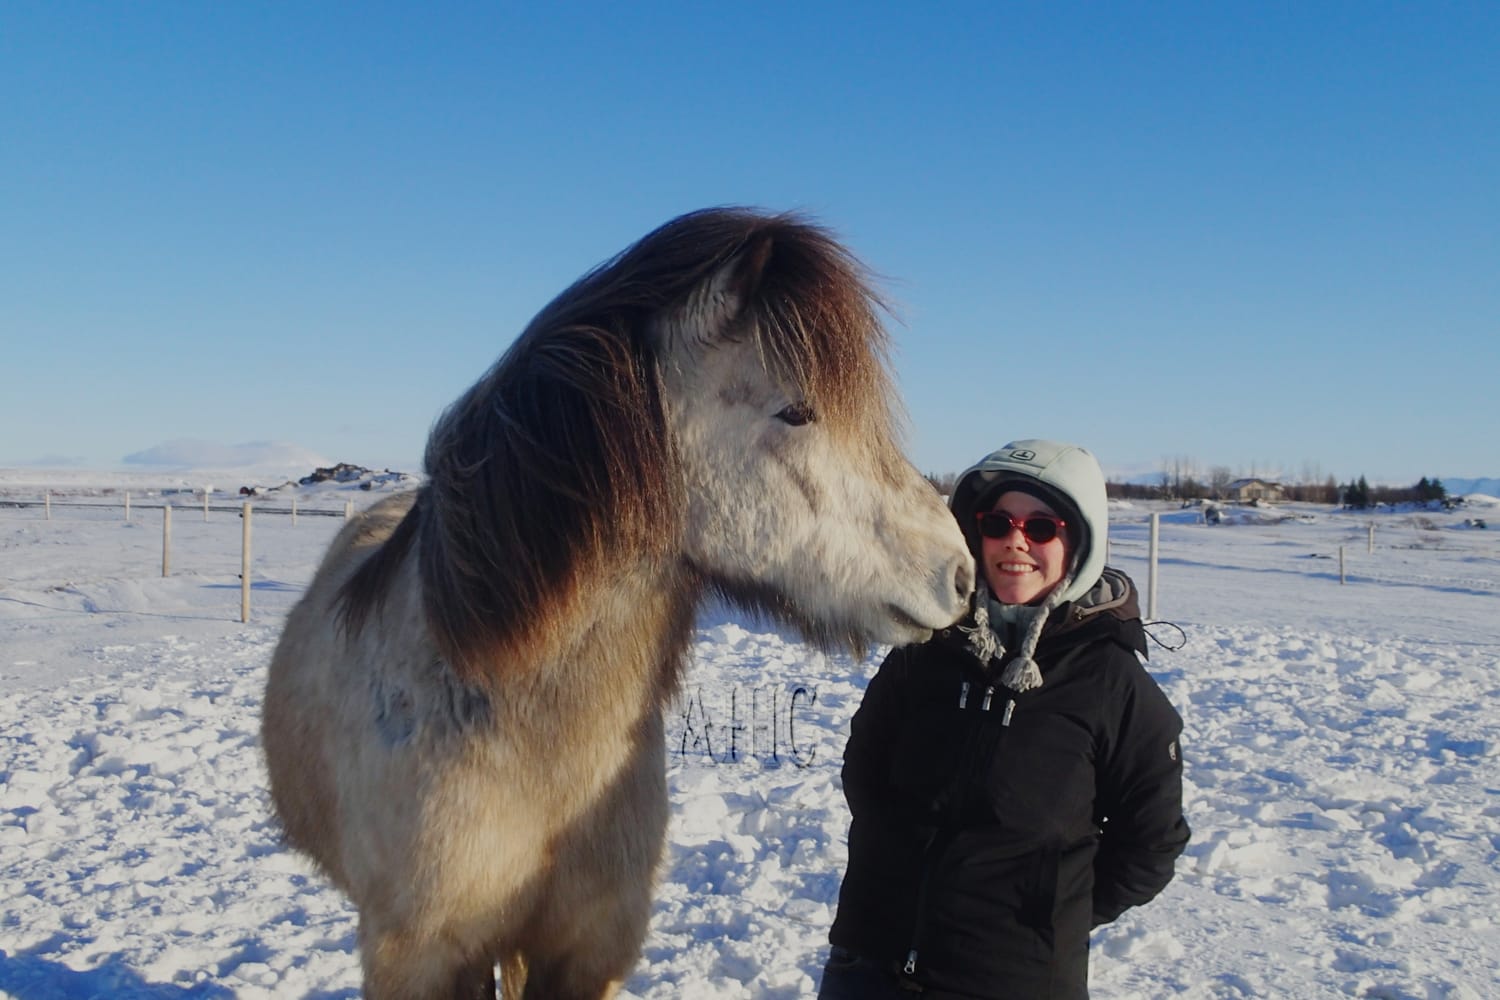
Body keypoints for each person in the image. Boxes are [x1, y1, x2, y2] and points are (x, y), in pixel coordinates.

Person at [819, 439, 1190, 1000]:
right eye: (998, 523)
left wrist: (1050, 909)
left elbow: (1151, 842)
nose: (1016, 540)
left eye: (1042, 527)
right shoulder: (927, 647)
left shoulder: (1113, 685)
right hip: (870, 964)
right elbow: (865, 765)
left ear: (1079, 541)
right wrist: (892, 862)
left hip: (1012, 979)